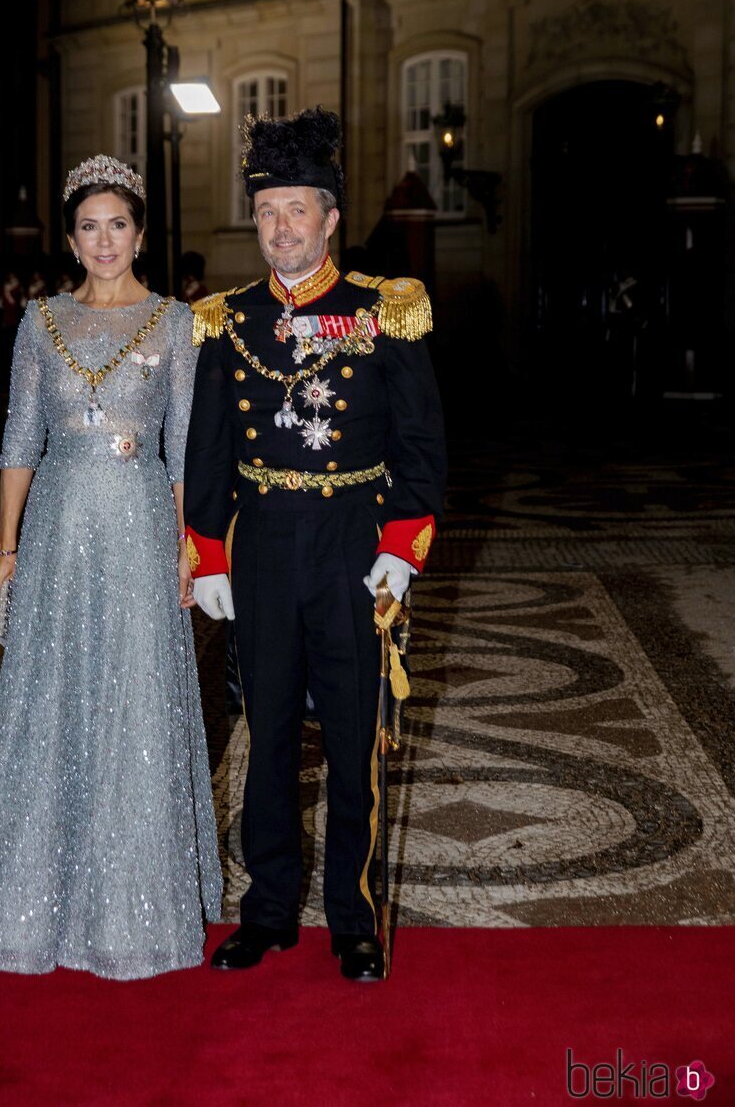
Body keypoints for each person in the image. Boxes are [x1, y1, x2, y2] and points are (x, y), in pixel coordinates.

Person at [0, 154, 222, 978]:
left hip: (142, 524)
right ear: (72, 241)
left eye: (118, 224)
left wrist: (189, 547)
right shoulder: (39, 322)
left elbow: (184, 450)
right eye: (89, 227)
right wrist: (4, 549)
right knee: (51, 698)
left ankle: (132, 900)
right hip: (56, 532)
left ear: (140, 234)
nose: (104, 240)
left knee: (134, 705)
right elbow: (18, 443)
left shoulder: (177, 322)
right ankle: (30, 888)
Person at [183, 108, 445, 981]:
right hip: (260, 551)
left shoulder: (384, 312)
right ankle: (266, 913)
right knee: (264, 741)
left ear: (330, 218)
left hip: (350, 551)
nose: (280, 228)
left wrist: (402, 548)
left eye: (296, 210)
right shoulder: (225, 321)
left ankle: (354, 919)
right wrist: (208, 556)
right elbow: (209, 451)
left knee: (350, 740)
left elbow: (420, 448)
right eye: (266, 212)